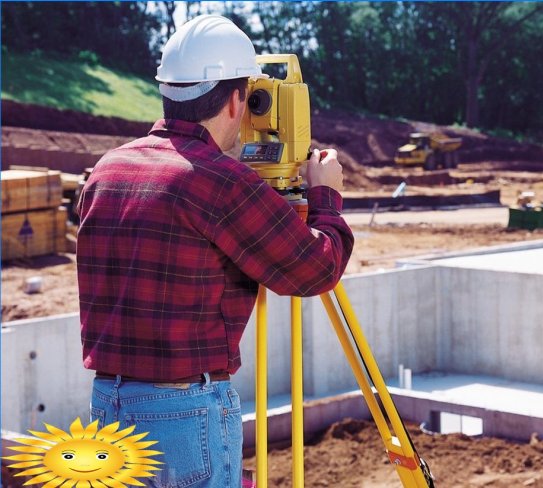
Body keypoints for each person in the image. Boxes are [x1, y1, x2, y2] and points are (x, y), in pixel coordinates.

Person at [77, 14, 354, 487]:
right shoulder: (219, 183)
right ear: (234, 100)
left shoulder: (108, 169)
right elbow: (315, 270)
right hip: (182, 416)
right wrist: (325, 197)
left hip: (108, 405)